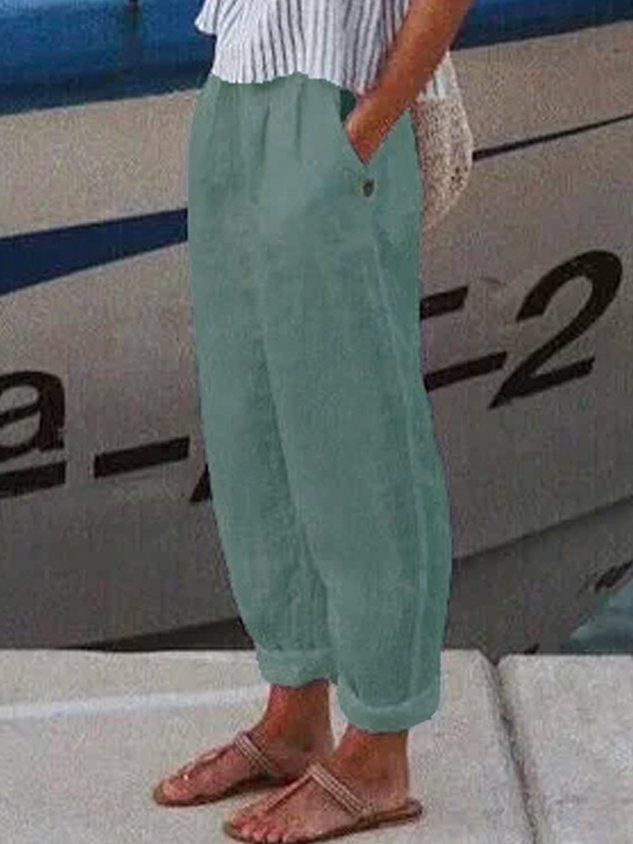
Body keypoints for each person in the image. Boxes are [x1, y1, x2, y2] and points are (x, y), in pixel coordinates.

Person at [153, 0, 473, 841]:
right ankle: (294, 714)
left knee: (358, 433)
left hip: (339, 101)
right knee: (252, 425)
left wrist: (367, 126)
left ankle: (378, 750)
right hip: (235, 89)